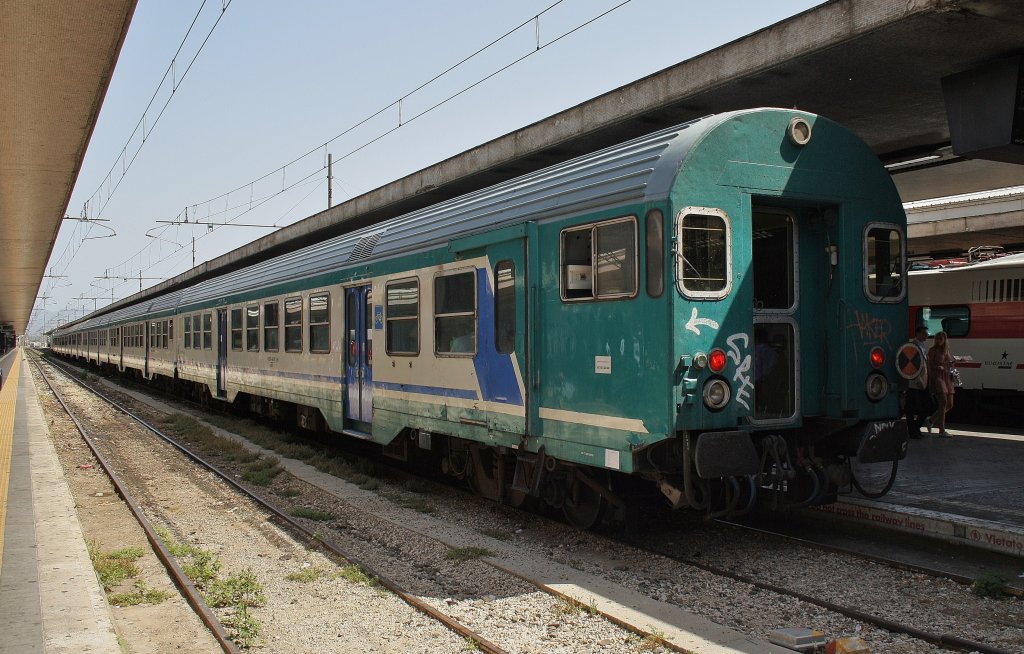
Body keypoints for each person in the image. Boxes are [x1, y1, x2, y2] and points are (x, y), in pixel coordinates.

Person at [903, 325, 934, 439]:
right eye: (925, 333)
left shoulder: (922, 346)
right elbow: (911, 365)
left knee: (928, 405)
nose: (927, 335)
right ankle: (913, 430)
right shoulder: (913, 346)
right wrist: (918, 379)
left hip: (924, 381)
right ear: (918, 334)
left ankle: (915, 428)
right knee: (912, 406)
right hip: (915, 382)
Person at [927, 330, 955, 437]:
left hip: (947, 376)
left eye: (940, 339)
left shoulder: (946, 350)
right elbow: (929, 365)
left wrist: (953, 363)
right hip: (938, 377)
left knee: (949, 404)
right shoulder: (932, 350)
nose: (938, 341)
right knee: (943, 402)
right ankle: (941, 430)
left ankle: (931, 420)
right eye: (936, 339)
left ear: (944, 340)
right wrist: (937, 367)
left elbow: (947, 363)